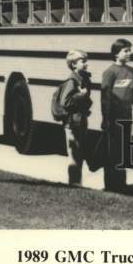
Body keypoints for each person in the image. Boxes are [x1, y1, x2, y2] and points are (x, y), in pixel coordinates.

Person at [101, 38, 133, 193]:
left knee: (124, 151)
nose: (129, 53)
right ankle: (111, 185)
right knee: (113, 152)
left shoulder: (132, 71)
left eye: (130, 50)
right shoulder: (110, 72)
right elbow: (105, 97)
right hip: (113, 119)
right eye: (126, 50)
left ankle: (121, 184)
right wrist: (106, 118)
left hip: (127, 117)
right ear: (116, 53)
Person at [61, 50, 92, 187]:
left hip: (80, 120)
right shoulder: (72, 81)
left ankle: (77, 183)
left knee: (80, 153)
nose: (86, 64)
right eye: (83, 61)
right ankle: (74, 184)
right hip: (72, 123)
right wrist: (81, 95)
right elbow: (65, 102)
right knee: (75, 155)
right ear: (74, 64)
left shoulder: (83, 79)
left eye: (86, 61)